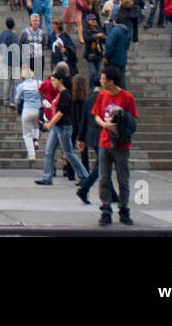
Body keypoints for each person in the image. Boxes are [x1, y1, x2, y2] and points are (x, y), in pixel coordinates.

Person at [93, 65, 138, 226]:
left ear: (111, 81)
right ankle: (106, 209)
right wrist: (105, 125)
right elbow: (96, 115)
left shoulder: (127, 98)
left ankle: (123, 208)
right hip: (104, 141)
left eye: (103, 79)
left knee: (122, 178)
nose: (101, 81)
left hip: (121, 143)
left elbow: (132, 121)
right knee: (104, 177)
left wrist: (119, 124)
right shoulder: (102, 95)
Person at [36, 69, 89, 185]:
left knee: (69, 152)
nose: (52, 83)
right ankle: (47, 177)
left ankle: (84, 176)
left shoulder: (65, 94)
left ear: (60, 81)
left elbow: (62, 112)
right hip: (57, 126)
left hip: (63, 126)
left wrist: (49, 124)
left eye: (54, 80)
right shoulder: (61, 94)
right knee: (49, 151)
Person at [14, 67, 43, 166]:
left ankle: (31, 154)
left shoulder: (21, 86)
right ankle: (36, 140)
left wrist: (19, 102)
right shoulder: (39, 83)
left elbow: (17, 99)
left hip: (27, 109)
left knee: (26, 134)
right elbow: (43, 93)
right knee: (36, 126)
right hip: (37, 109)